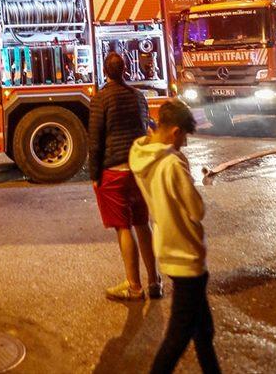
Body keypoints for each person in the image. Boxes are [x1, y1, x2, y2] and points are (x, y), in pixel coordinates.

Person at [129, 99, 221, 374]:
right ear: (175, 132)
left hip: (168, 245)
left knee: (203, 330)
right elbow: (196, 209)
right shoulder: (172, 163)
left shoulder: (141, 157)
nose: (185, 144)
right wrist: (194, 175)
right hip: (186, 254)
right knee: (178, 337)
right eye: (185, 137)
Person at [88, 50, 162, 302]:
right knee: (143, 224)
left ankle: (134, 286)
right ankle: (155, 282)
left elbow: (95, 140)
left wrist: (94, 174)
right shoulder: (139, 97)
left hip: (115, 172)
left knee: (123, 227)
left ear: (105, 71)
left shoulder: (101, 100)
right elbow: (144, 128)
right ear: (126, 70)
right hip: (138, 171)